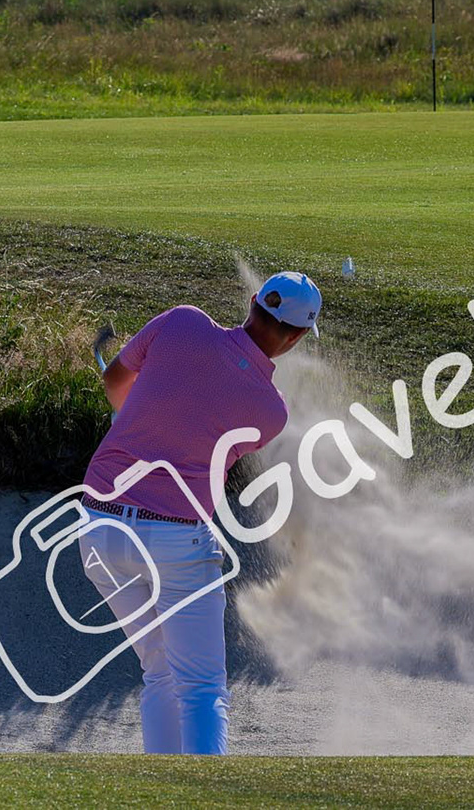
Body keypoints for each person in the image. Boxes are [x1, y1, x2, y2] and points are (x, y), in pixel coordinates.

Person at [77, 271, 321, 755]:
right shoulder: (270, 411)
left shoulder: (182, 322)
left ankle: (165, 793)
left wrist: (133, 412)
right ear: (294, 337)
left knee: (160, 672)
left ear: (252, 302)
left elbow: (115, 382)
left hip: (98, 527)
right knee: (202, 688)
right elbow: (206, 439)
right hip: (175, 541)